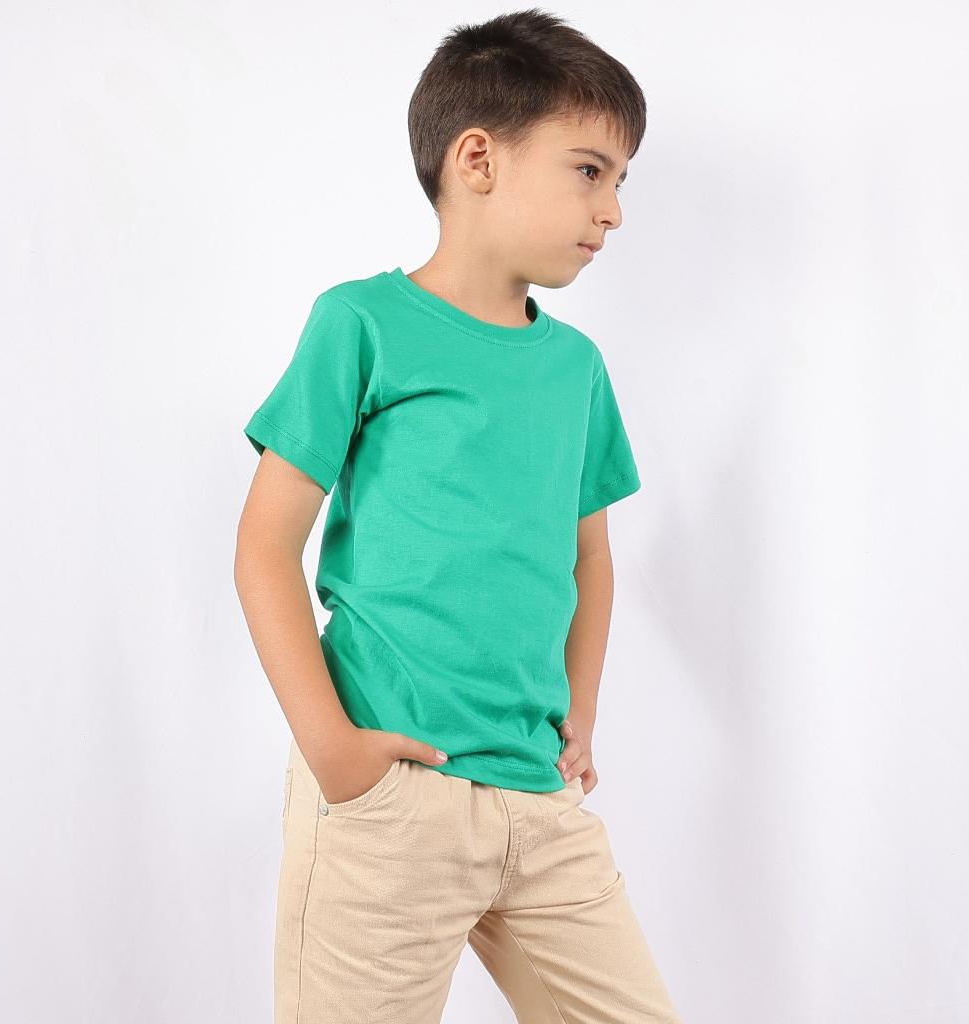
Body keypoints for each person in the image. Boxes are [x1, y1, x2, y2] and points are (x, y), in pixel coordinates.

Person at [234, 9, 683, 1023]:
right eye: (589, 170)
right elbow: (264, 547)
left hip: (539, 798)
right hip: (391, 800)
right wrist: (334, 750)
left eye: (621, 180)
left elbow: (591, 558)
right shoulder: (362, 323)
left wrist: (580, 712)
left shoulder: (576, 368)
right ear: (477, 158)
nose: (613, 210)